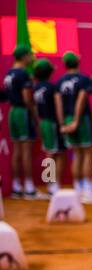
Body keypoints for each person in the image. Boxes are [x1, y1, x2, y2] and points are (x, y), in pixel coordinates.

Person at [57, 52, 92, 203]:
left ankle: (73, 187)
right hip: (80, 119)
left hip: (65, 119)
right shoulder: (83, 79)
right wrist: (76, 120)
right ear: (78, 62)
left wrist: (62, 124)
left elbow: (58, 103)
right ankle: (87, 189)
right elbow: (81, 99)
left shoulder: (59, 82)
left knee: (75, 154)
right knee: (86, 153)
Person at [3, 45, 37, 199]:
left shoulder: (8, 74)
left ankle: (17, 186)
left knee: (17, 150)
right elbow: (27, 98)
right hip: (23, 112)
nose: (31, 58)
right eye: (29, 55)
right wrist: (35, 115)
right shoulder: (23, 74)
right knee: (25, 151)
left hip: (12, 112)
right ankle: (29, 187)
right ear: (24, 57)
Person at [30, 59, 62, 199]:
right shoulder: (52, 87)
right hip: (52, 122)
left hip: (43, 122)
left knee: (49, 153)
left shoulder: (35, 88)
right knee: (55, 154)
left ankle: (51, 184)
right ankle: (53, 185)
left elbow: (35, 107)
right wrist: (61, 124)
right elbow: (58, 106)